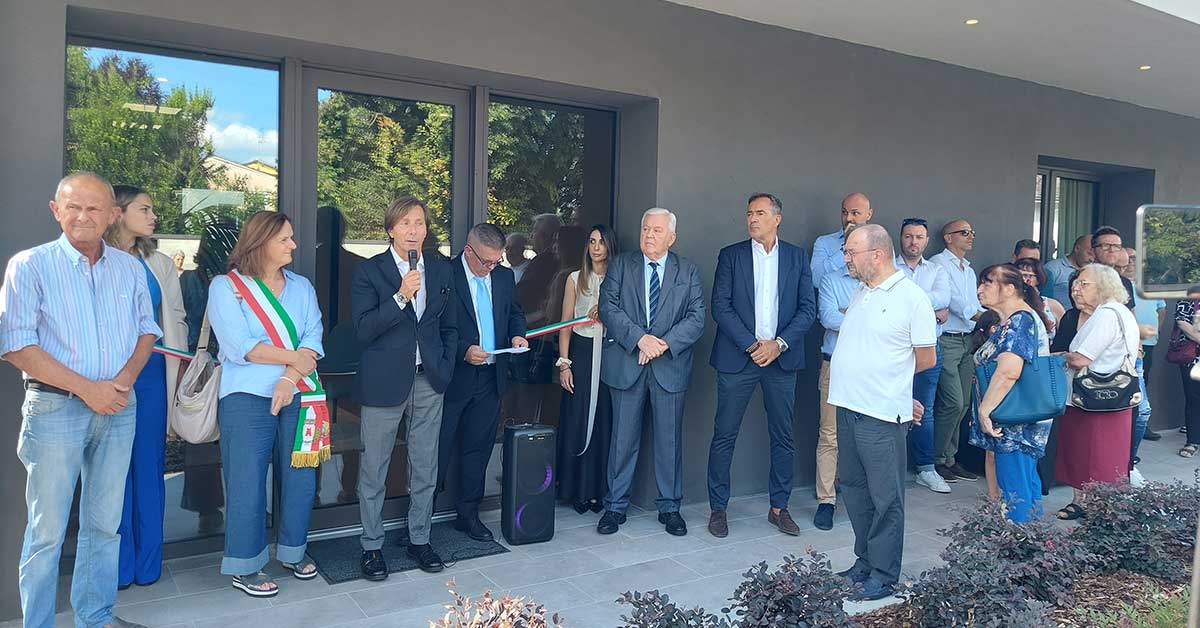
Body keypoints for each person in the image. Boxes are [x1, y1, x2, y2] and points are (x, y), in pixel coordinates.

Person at [1, 172, 160, 628]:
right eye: (73, 207)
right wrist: (90, 389)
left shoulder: (129, 268)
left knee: (104, 525)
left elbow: (147, 331)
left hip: (118, 408)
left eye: (94, 208)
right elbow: (16, 345)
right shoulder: (30, 266)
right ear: (56, 211)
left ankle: (95, 617)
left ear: (112, 215)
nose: (83, 217)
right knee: (47, 531)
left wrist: (122, 383)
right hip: (55, 409)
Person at [207, 211, 325, 597]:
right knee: (247, 479)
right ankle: (245, 565)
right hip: (245, 397)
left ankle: (293, 551)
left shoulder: (302, 287)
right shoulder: (226, 287)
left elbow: (313, 338)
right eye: (284, 239)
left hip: (300, 392)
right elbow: (239, 347)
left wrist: (289, 379)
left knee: (301, 476)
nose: (294, 245)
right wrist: (293, 359)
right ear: (260, 243)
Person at [828, 224, 937, 602]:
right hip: (848, 407)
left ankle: (885, 573)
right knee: (855, 490)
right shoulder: (862, 291)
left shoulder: (912, 297)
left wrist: (897, 387)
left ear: (876, 254)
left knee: (885, 497)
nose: (846, 259)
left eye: (851, 252)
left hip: (881, 414)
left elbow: (926, 358)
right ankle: (865, 561)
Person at [352, 197, 457, 578]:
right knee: (374, 468)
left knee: (425, 465)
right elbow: (363, 330)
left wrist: (444, 364)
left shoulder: (441, 269)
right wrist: (401, 296)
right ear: (391, 229)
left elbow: (449, 325)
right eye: (406, 223)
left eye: (420, 223)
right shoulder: (370, 271)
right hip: (384, 383)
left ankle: (419, 539)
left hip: (429, 379)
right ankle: (371, 546)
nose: (414, 230)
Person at [706, 194, 815, 538]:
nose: (752, 219)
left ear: (777, 219)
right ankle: (718, 509)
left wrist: (778, 345)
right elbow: (720, 307)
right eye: (749, 213)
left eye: (760, 213)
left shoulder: (796, 257)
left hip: (781, 359)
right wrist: (753, 345)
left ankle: (779, 508)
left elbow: (807, 309)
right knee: (724, 434)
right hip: (739, 358)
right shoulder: (731, 255)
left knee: (783, 436)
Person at [596, 208, 705, 537]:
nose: (649, 235)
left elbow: (697, 317)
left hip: (669, 366)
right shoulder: (621, 265)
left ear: (672, 237)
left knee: (669, 441)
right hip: (627, 363)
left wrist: (662, 344)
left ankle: (670, 508)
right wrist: (639, 339)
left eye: (657, 230)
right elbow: (607, 307)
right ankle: (615, 507)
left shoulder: (687, 270)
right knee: (622, 440)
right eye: (645, 229)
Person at [103, 185, 188, 589]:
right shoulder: (94, 258)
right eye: (145, 209)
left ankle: (148, 564)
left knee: (149, 465)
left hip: (152, 374)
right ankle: (118, 567)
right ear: (118, 213)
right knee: (111, 469)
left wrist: (179, 378)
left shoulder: (160, 263)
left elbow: (177, 320)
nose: (154, 216)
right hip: (105, 375)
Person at [439, 223, 528, 542]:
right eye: (486, 261)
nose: (491, 267)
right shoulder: (445, 274)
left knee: (478, 450)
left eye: (496, 261)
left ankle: (468, 515)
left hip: (491, 377)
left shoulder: (503, 277)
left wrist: (518, 334)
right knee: (437, 450)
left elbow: (515, 313)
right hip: (453, 378)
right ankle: (420, 519)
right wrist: (463, 350)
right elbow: (434, 326)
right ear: (468, 251)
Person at [969, 264, 1053, 522]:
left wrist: (985, 410)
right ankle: (1033, 538)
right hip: (1019, 416)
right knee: (1025, 484)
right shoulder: (1017, 320)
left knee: (1015, 490)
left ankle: (1019, 540)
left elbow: (1008, 371)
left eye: (987, 283)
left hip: (1015, 420)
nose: (980, 289)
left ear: (1009, 289)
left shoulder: (1019, 321)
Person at [1055, 264, 1140, 520]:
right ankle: (1097, 508)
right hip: (1115, 397)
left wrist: (1060, 356)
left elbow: (1081, 358)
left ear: (1104, 286)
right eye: (1075, 283)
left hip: (1093, 398)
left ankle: (1093, 508)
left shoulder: (1106, 315)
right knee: (1105, 456)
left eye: (1084, 284)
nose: (1076, 289)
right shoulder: (1121, 312)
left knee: (1092, 455)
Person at [179, 219, 239, 534]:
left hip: (207, 363)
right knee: (213, 436)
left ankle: (208, 508)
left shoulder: (191, 279)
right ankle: (217, 507)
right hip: (217, 364)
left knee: (206, 437)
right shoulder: (225, 283)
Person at [556, 225, 618, 515]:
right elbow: (565, 323)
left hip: (608, 353)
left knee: (603, 420)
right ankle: (575, 490)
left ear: (610, 246)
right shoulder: (574, 279)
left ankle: (598, 491)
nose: (596, 247)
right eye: (592, 241)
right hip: (580, 353)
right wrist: (564, 363)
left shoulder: (619, 279)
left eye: (601, 242)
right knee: (578, 418)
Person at [895, 217, 952, 494]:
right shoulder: (890, 268)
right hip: (896, 349)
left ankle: (925, 469)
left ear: (927, 241)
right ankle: (891, 470)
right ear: (900, 238)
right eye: (908, 236)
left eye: (919, 237)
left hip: (928, 348)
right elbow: (892, 301)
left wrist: (909, 302)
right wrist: (929, 308)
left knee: (924, 409)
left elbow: (944, 298)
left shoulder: (937, 270)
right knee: (891, 406)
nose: (913, 241)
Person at [930, 219, 983, 484]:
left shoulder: (969, 270)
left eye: (972, 232)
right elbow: (956, 303)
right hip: (948, 340)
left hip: (967, 340)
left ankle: (950, 459)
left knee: (963, 404)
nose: (970, 236)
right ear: (948, 237)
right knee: (951, 402)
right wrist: (985, 317)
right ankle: (937, 459)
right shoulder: (939, 264)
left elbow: (973, 301)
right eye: (964, 232)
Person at [814, 242, 862, 529]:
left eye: (854, 251)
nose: (848, 257)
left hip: (871, 368)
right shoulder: (831, 280)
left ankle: (862, 497)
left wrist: (847, 314)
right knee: (829, 434)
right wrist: (864, 318)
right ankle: (826, 500)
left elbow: (890, 322)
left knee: (866, 435)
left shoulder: (884, 285)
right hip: (835, 364)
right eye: (846, 250)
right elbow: (828, 318)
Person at [1125, 247, 1165, 443]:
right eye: (1129, 258)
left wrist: (1154, 332)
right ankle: (1127, 425)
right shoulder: (1118, 284)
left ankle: (1140, 424)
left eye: (1135, 258)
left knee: (1142, 382)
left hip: (1146, 343)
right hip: (1125, 344)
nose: (1132, 261)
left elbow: (1161, 310)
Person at [810, 192, 872, 291]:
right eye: (844, 212)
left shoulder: (880, 243)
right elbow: (815, 280)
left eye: (855, 213)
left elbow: (889, 281)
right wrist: (846, 248)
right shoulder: (824, 242)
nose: (848, 218)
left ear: (869, 214)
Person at [1174, 286, 1200, 458]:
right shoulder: (1188, 296)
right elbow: (1182, 322)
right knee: (1194, 398)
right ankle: (1193, 441)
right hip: (1193, 356)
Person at [1014, 258, 1065, 341]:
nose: (1023, 280)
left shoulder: (1053, 305)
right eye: (1019, 276)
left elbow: (1065, 337)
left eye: (1028, 276)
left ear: (1038, 279)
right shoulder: (1009, 304)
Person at [1045, 234, 1093, 305]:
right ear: (1077, 249)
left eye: (1095, 255)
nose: (1092, 259)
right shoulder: (1053, 268)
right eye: (1089, 253)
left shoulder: (1094, 271)